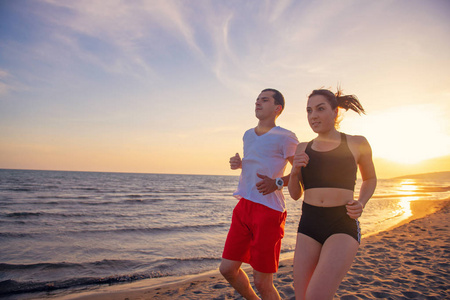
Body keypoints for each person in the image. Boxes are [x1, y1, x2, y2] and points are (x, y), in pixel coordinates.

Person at [288, 88, 377, 299]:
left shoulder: (357, 143)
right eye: (309, 111)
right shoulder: (302, 148)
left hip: (342, 223)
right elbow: (294, 194)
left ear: (335, 112)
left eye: (320, 109)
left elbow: (370, 179)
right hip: (308, 224)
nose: (313, 116)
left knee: (316, 296)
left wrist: (361, 203)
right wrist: (294, 172)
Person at [220, 88, 299, 300]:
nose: (258, 103)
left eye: (264, 100)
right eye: (257, 100)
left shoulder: (286, 137)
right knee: (227, 269)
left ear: (277, 108)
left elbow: (302, 171)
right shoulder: (247, 134)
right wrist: (240, 164)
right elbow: (257, 162)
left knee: (262, 282)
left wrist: (278, 182)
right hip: (244, 205)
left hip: (269, 210)